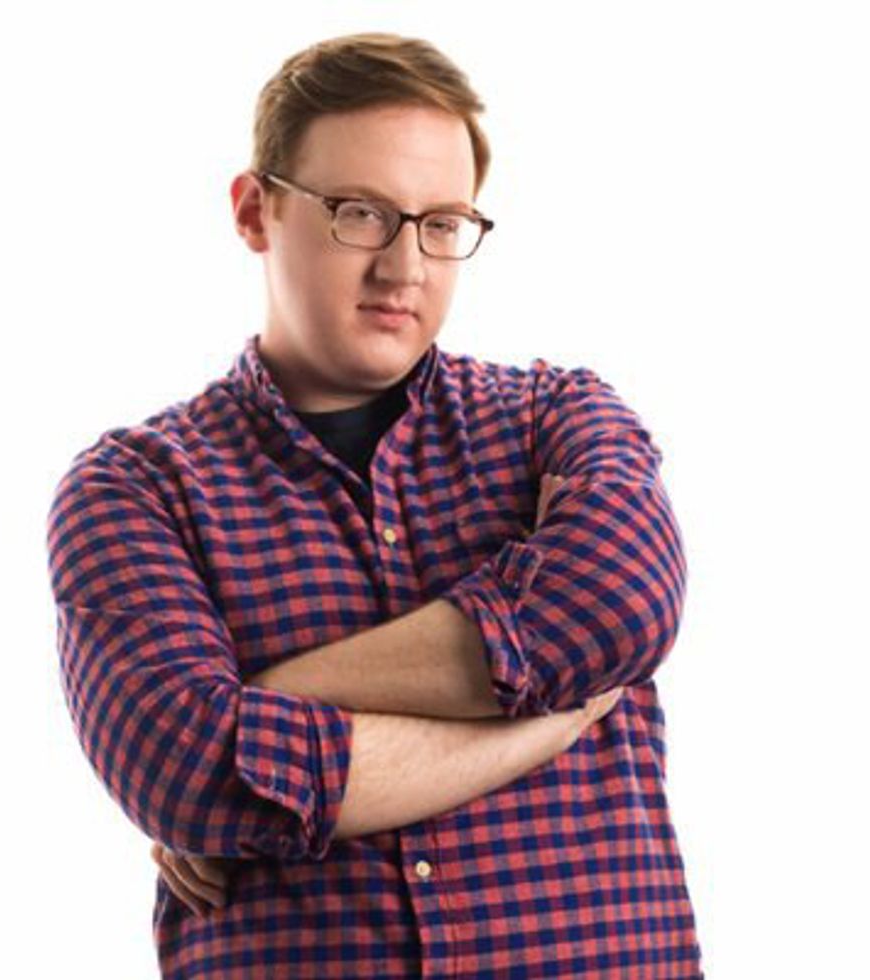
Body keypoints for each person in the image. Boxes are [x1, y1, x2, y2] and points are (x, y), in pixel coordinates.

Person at [45, 31, 704, 979]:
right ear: (255, 211)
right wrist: (555, 718)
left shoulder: (555, 417)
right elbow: (182, 772)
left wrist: (260, 703)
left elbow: (620, 604)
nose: (405, 268)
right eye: (361, 213)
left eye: (442, 223)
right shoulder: (136, 490)